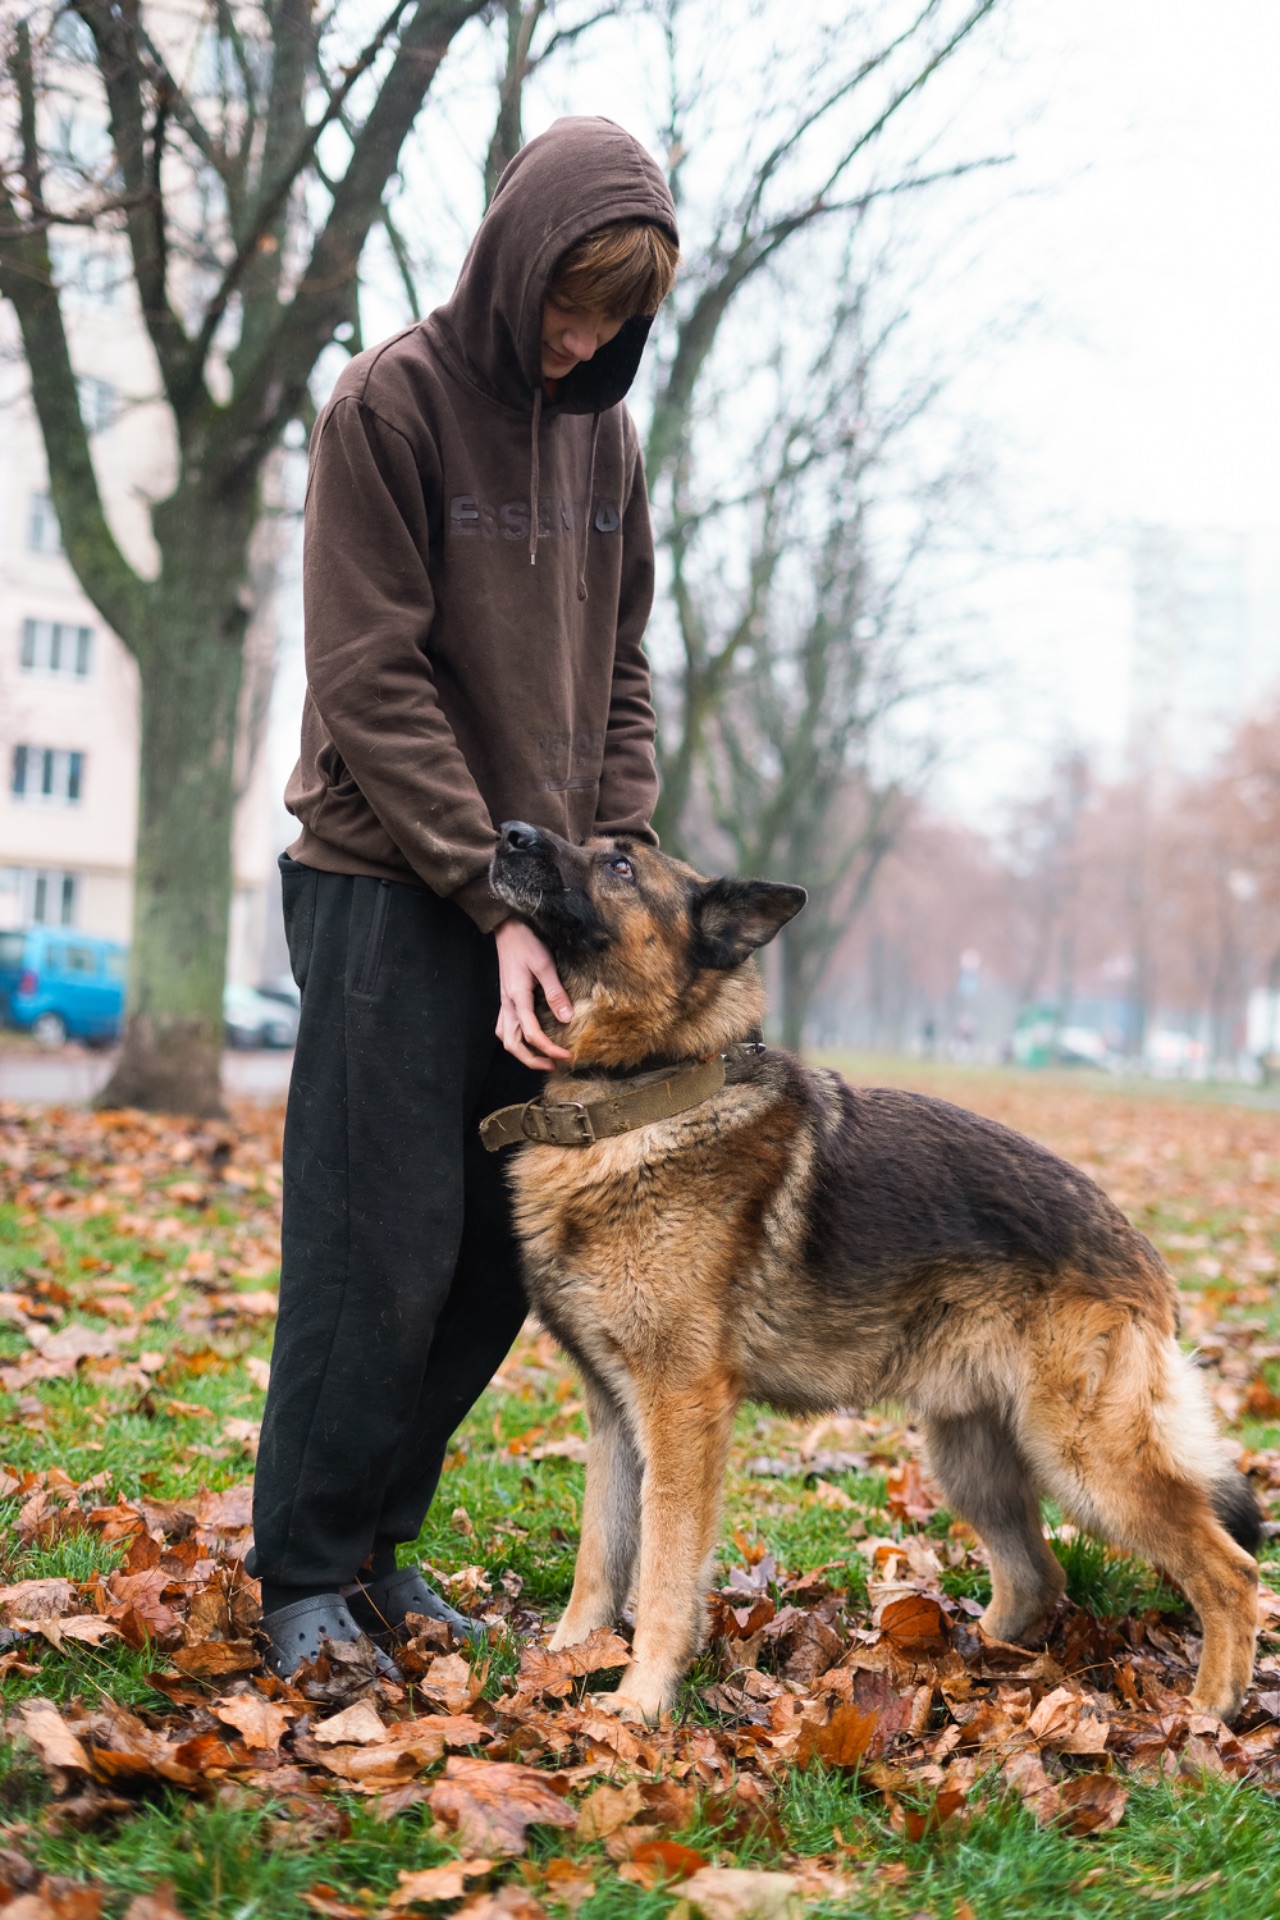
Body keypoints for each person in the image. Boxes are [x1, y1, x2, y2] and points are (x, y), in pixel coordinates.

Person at [248, 117, 679, 1675]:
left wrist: (603, 867)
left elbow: (621, 670)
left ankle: (379, 1544)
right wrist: (491, 895)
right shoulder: (389, 404)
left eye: (613, 326)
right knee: (383, 1241)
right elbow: (368, 676)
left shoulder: (603, 438)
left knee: (509, 1242)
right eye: (570, 307)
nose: (580, 343)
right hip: (385, 883)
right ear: (516, 261)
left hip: (544, 902)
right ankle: (302, 1567)